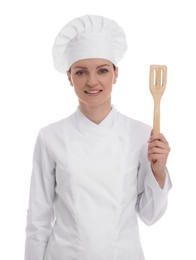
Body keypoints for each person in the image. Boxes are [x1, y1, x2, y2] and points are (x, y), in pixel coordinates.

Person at [24, 15, 172, 260]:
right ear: (69, 77)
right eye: (81, 72)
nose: (92, 81)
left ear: (115, 74)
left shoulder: (141, 135)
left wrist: (158, 172)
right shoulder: (50, 137)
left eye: (102, 70)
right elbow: (37, 222)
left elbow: (150, 216)